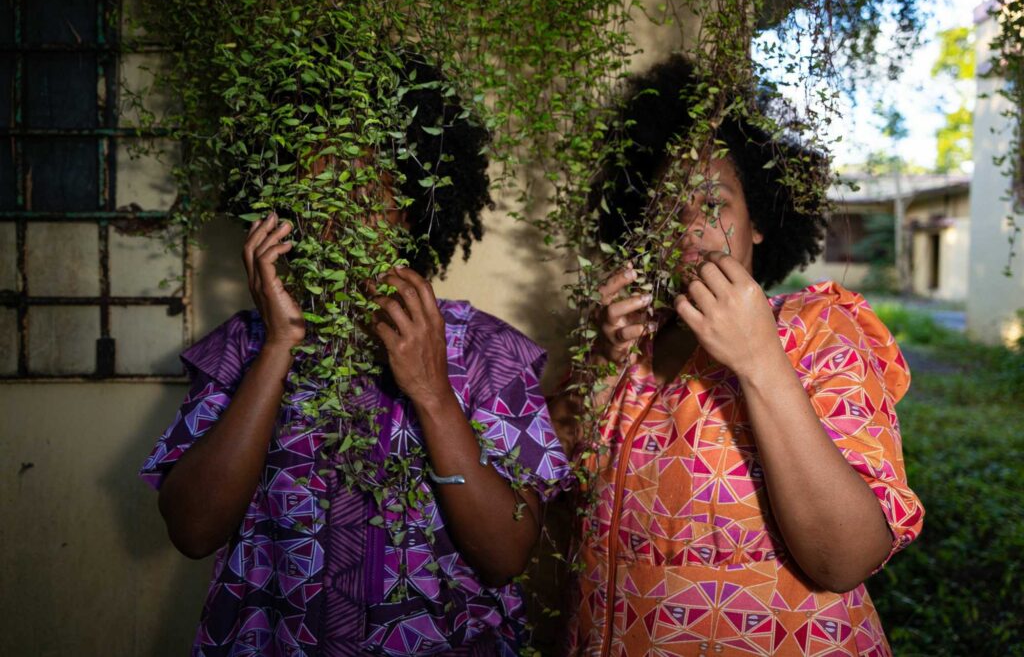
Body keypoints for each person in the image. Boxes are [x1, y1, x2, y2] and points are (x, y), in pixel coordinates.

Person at [140, 57, 572, 657]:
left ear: (410, 210)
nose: (341, 223)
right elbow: (192, 531)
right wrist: (277, 348)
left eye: (368, 194)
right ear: (281, 219)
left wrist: (432, 393)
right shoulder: (242, 349)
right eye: (318, 197)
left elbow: (505, 555)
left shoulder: (484, 351)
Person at [559, 56, 924, 656]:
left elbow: (846, 560)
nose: (688, 225)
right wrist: (599, 364)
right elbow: (552, 493)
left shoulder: (818, 327)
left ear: (758, 222)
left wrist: (760, 362)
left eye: (713, 203)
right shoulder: (626, 345)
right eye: (666, 206)